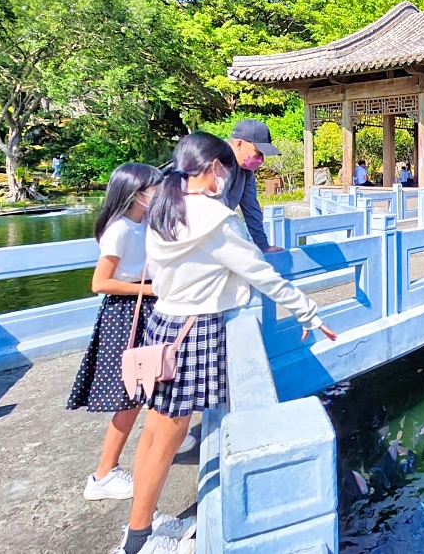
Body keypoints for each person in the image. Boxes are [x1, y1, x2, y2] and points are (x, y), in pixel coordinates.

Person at [111, 133, 337, 554]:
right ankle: (138, 541)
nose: (228, 177)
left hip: (165, 323)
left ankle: (140, 522)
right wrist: (308, 311)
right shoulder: (215, 218)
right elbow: (261, 274)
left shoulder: (165, 206)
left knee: (155, 432)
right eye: (226, 168)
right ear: (215, 167)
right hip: (193, 330)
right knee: (168, 438)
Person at [67, 164, 173, 506]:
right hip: (126, 313)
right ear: (134, 192)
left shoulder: (143, 224)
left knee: (140, 393)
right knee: (128, 395)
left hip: (143, 306)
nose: (157, 194)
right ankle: (103, 473)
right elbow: (100, 283)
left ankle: (109, 471)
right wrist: (151, 289)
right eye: (152, 189)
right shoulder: (120, 230)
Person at [223, 120, 282, 254]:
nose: (261, 159)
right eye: (258, 152)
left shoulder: (246, 171)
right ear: (239, 144)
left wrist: (263, 246)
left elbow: (251, 208)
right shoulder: (215, 165)